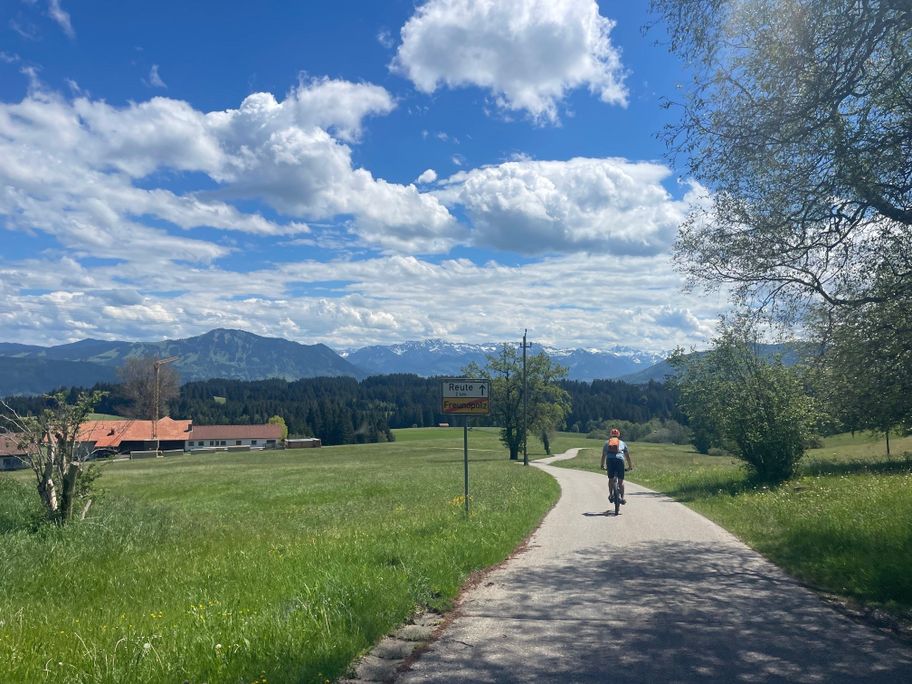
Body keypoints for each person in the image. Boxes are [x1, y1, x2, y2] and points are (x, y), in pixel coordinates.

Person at [600, 427, 634, 506]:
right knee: (621, 481)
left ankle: (611, 495)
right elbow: (627, 456)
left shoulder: (607, 443)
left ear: (611, 435)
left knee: (611, 479)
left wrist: (602, 465)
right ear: (618, 435)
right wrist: (630, 466)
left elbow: (603, 455)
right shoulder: (622, 443)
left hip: (610, 461)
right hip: (620, 460)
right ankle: (622, 498)